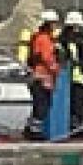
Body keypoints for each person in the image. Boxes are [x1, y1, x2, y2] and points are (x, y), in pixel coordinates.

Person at [24, 9, 61, 139]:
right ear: (49, 24)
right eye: (54, 23)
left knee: (39, 104)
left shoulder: (39, 37)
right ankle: (34, 131)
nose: (55, 26)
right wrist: (56, 68)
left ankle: (30, 129)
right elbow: (47, 58)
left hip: (37, 76)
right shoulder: (45, 39)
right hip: (42, 77)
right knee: (42, 106)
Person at [58, 10, 83, 132]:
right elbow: (67, 59)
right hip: (72, 79)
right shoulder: (65, 43)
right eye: (74, 27)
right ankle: (80, 124)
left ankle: (81, 124)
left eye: (78, 27)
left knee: (79, 103)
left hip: (82, 79)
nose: (76, 29)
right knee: (77, 104)